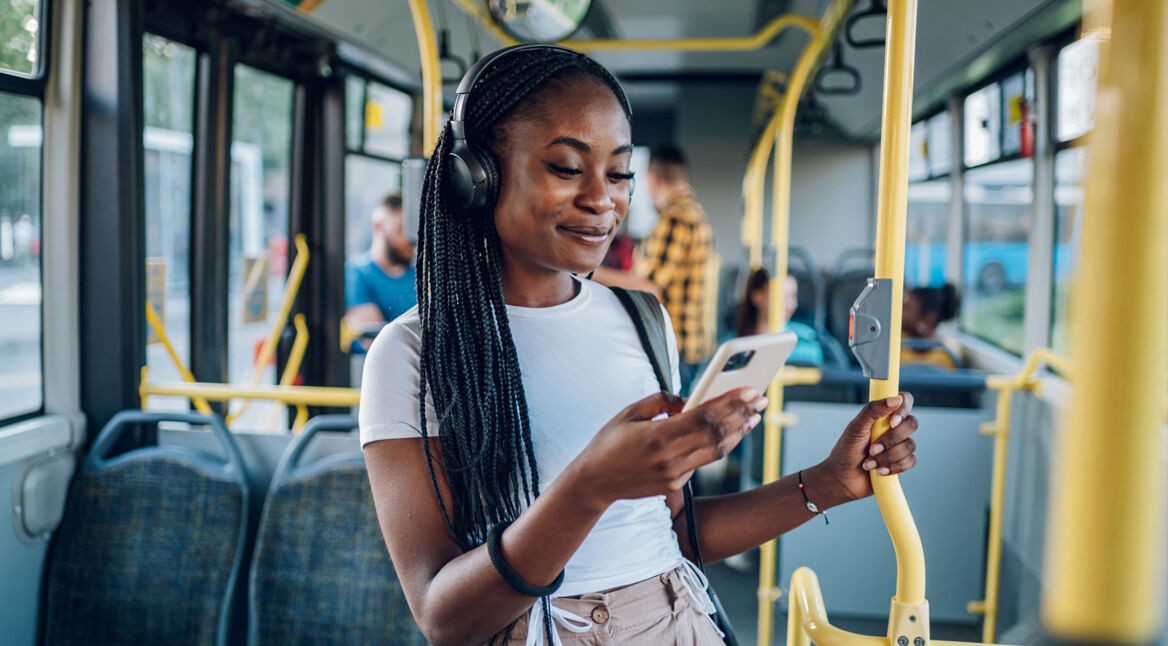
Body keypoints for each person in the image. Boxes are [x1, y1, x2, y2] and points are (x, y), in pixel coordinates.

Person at [360, 44, 920, 645]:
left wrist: (827, 482)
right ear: (476, 177)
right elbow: (443, 617)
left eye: (620, 173)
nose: (603, 199)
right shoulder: (412, 353)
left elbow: (673, 533)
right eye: (567, 168)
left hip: (681, 619)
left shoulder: (641, 318)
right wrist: (590, 487)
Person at [635, 143, 713, 392]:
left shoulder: (675, 218)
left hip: (674, 343)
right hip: (690, 343)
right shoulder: (695, 213)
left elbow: (648, 285)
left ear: (652, 178)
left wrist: (593, 275)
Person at [344, 193, 417, 350]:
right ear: (378, 226)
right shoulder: (357, 274)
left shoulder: (420, 277)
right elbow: (375, 342)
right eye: (401, 230)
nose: (410, 240)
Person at [734, 268, 823, 366]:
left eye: (793, 296)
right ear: (757, 297)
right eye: (782, 296)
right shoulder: (733, 344)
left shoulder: (807, 337)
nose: (790, 304)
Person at [901, 283, 962, 369]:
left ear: (928, 319)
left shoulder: (947, 357)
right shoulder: (896, 341)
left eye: (907, 308)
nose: (901, 313)